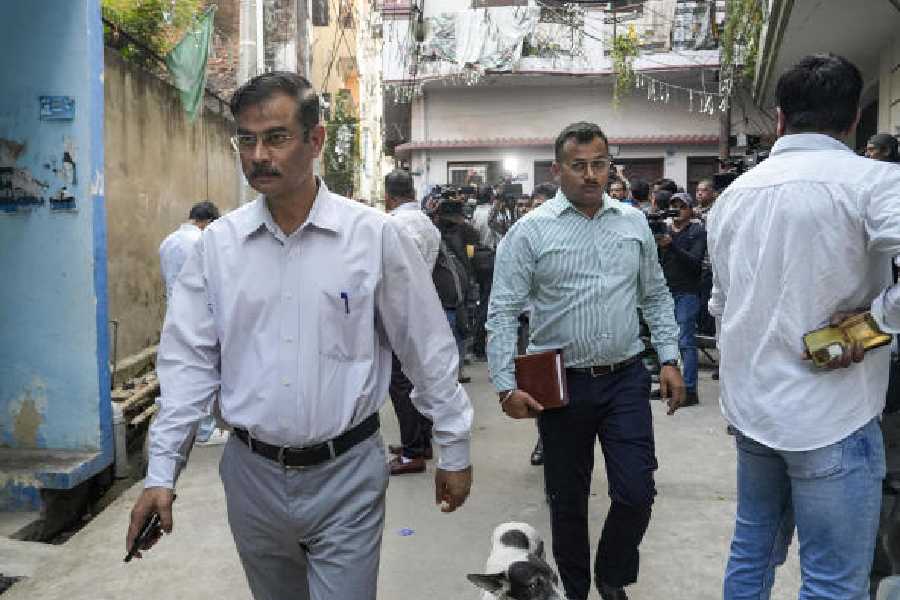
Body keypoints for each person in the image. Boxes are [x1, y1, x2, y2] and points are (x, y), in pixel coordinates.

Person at [126, 72, 474, 599]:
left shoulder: (373, 237)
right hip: (251, 477)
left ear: (316, 140)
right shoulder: (217, 248)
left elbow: (423, 346)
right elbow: (189, 365)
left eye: (276, 137)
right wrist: (161, 472)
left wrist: (453, 445)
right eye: (247, 139)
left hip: (347, 476)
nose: (258, 154)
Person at [708, 54, 900, 599]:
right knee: (832, 583)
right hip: (832, 416)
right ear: (853, 122)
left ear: (779, 119)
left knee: (751, 554)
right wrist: (877, 321)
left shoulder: (732, 198)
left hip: (754, 412)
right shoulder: (873, 181)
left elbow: (721, 306)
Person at [487, 121, 685, 600]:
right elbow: (503, 310)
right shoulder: (529, 232)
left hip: (625, 379)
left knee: (637, 491)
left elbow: (656, 295)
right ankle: (575, 590)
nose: (591, 175)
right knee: (568, 501)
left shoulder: (632, 222)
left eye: (599, 164)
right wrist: (503, 384)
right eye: (578, 166)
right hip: (562, 388)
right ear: (558, 170)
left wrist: (670, 357)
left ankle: (611, 575)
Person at [383, 169, 441, 475]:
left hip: (401, 313)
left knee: (401, 384)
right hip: (424, 307)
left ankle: (412, 452)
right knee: (420, 379)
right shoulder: (427, 224)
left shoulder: (393, 224)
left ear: (388, 195)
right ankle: (423, 440)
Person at [158, 200, 223, 445]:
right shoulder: (201, 242)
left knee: (178, 370)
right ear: (208, 221)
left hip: (174, 314)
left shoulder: (168, 241)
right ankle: (204, 429)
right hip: (199, 314)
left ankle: (180, 426)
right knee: (204, 369)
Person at [656, 192, 706, 406]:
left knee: (686, 341)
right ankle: (669, 384)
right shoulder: (664, 229)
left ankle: (690, 390)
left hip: (687, 292)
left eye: (682, 206)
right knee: (666, 339)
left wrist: (671, 245)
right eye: (673, 206)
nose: (677, 210)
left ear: (691, 209)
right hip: (666, 291)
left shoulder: (697, 231)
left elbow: (695, 262)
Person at [525, 181, 559, 466]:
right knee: (540, 391)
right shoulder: (524, 237)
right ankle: (544, 441)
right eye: (533, 207)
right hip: (534, 328)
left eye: (541, 207)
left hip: (565, 330)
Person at [434, 197, 480, 383]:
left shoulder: (456, 232)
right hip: (450, 294)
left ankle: (455, 370)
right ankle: (453, 371)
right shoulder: (438, 235)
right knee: (455, 332)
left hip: (456, 293)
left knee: (458, 332)